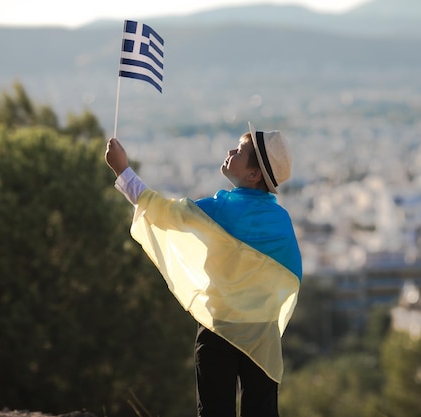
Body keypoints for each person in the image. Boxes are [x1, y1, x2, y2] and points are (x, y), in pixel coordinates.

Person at [105, 122, 302, 417]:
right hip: (263, 334)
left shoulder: (220, 209)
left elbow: (162, 211)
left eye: (240, 150)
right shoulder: (281, 221)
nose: (230, 151)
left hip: (218, 328)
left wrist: (123, 171)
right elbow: (290, 277)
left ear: (253, 173)